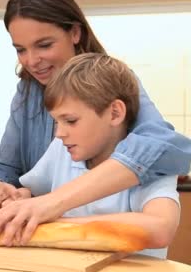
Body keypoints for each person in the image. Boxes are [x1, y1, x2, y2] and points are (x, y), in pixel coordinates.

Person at [0, 0, 191, 246]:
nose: (31, 61)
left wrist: (51, 207)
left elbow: (162, 145)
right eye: (20, 49)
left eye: (43, 45)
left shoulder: (111, 84)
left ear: (75, 33)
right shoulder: (28, 94)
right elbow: (11, 172)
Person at [16, 53, 180, 258]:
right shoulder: (62, 149)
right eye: (57, 122)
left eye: (71, 120)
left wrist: (53, 225)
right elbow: (33, 192)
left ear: (115, 113)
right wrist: (17, 199)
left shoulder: (153, 162)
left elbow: (161, 228)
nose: (59, 133)